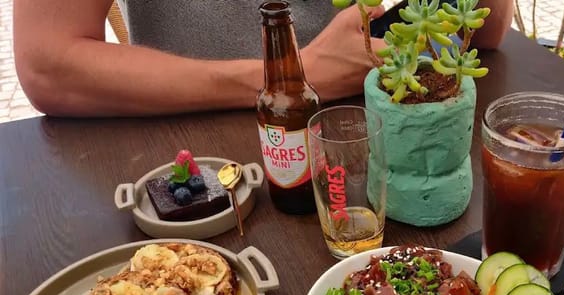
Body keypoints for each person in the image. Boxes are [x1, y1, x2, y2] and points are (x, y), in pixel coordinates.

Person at [13, 0, 514, 118]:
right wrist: (287, 79)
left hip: (378, 137)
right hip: (204, 172)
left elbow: (485, 30)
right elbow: (47, 64)